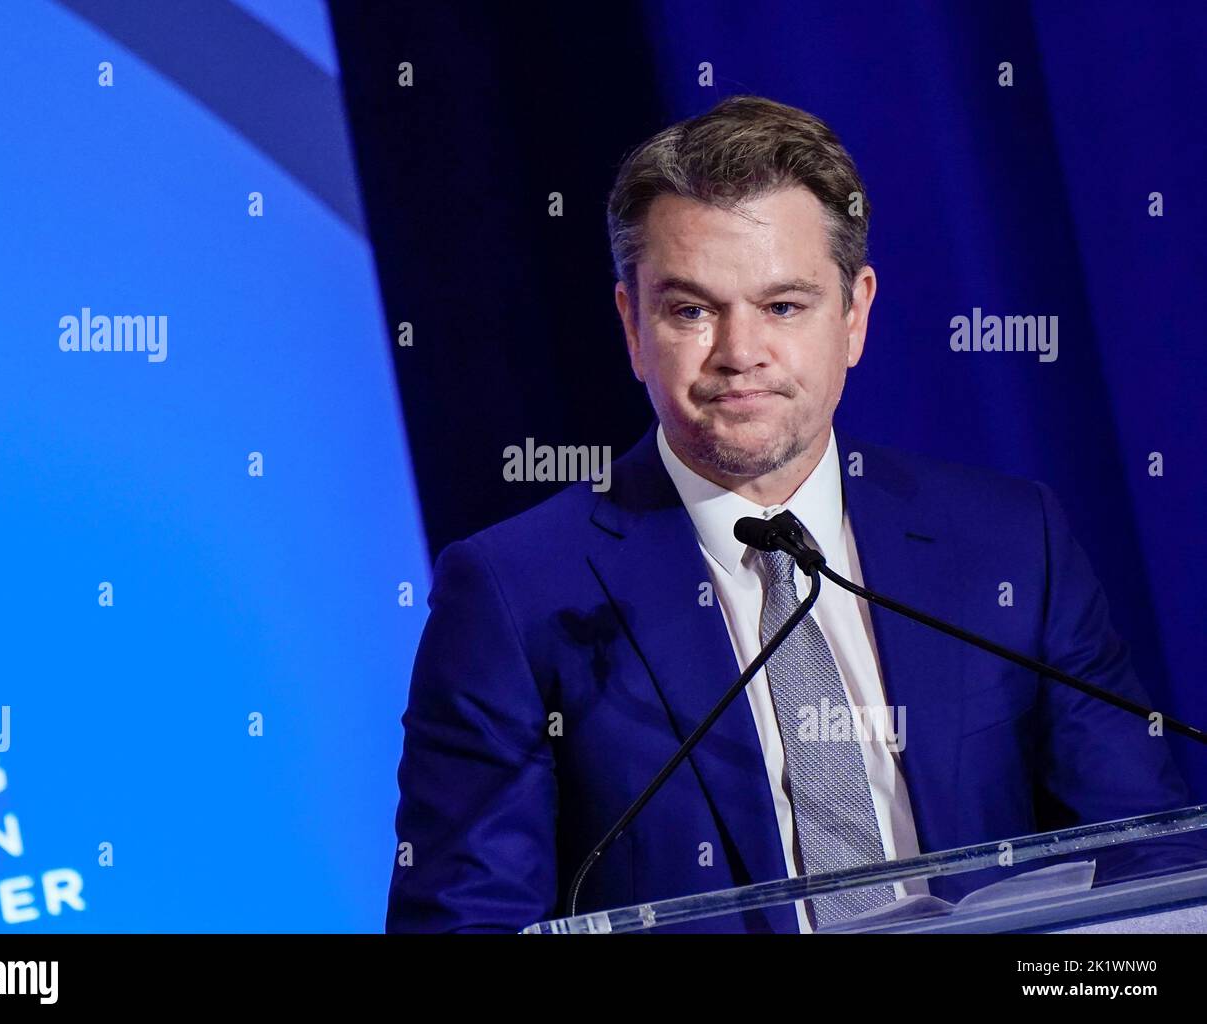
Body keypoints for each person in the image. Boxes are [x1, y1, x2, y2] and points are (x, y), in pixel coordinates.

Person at [386, 95, 1197, 933]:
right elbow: (463, 922)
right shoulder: (517, 593)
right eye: (691, 310)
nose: (741, 355)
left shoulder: (1010, 544)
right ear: (632, 326)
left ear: (855, 314)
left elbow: (1151, 865)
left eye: (783, 306)